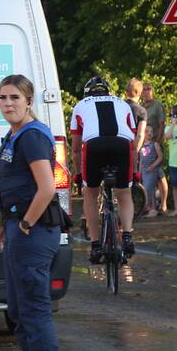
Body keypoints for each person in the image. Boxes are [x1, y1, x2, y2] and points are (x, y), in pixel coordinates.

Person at [0, 74, 62, 351]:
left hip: (34, 231)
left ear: (28, 101)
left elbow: (46, 187)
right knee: (19, 311)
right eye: (3, 97)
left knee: (34, 311)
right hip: (18, 227)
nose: (8, 103)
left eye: (14, 97)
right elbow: (9, 184)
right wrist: (2, 224)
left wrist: (25, 223)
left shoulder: (31, 136)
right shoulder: (15, 134)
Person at [70, 76, 138, 264]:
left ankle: (95, 244)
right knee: (124, 193)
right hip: (122, 145)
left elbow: (75, 149)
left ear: (87, 93)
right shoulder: (123, 104)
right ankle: (127, 236)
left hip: (94, 146)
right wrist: (134, 172)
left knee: (90, 194)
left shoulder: (80, 105)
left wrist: (78, 175)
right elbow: (133, 145)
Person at [141, 82, 168, 212]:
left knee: (159, 174)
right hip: (144, 144)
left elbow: (162, 123)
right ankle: (149, 205)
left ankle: (163, 204)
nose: (146, 91)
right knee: (147, 173)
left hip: (155, 142)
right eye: (144, 89)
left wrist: (157, 140)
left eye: (149, 89)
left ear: (152, 91)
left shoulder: (157, 105)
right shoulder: (141, 107)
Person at [139, 125, 164, 218]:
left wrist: (153, 166)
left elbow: (160, 157)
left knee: (149, 189)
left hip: (152, 170)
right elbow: (141, 160)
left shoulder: (154, 144)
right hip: (144, 171)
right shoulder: (141, 146)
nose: (149, 133)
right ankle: (149, 208)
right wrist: (139, 172)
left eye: (151, 131)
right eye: (147, 131)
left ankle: (153, 209)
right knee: (146, 190)